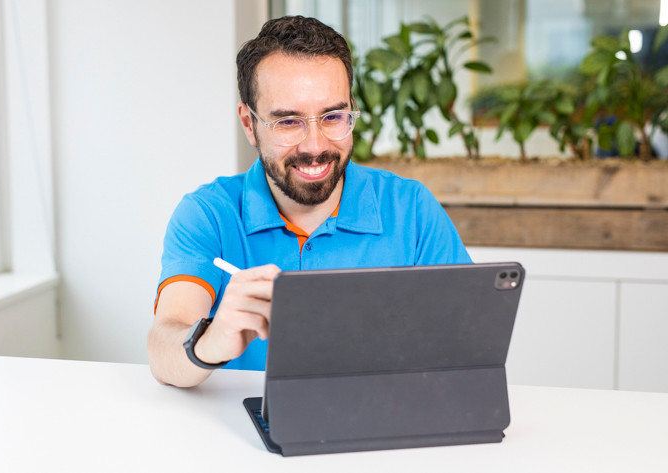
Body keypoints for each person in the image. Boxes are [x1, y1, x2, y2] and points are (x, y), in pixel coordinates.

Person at [147, 16, 471, 387]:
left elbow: (467, 345)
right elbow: (163, 348)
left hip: (385, 429)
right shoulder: (208, 214)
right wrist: (210, 342)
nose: (315, 147)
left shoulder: (411, 209)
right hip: (242, 437)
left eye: (333, 117)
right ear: (249, 124)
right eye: (288, 122)